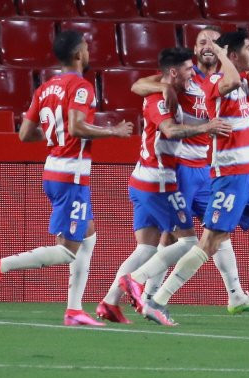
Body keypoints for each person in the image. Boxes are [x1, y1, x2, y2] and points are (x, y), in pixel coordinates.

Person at [120, 14, 249, 328]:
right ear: (235, 54)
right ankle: (149, 291)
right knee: (205, 242)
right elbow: (142, 84)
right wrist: (223, 52)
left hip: (248, 176)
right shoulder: (215, 82)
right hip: (225, 174)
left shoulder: (243, 81)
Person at [0, 30, 134, 326]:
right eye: (86, 48)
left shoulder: (46, 88)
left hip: (53, 169)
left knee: (88, 238)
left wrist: (54, 136)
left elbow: (25, 134)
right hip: (70, 175)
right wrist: (112, 131)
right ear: (78, 54)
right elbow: (76, 127)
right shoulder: (82, 86)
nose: (88, 52)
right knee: (67, 251)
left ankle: (74, 310)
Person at [129, 26, 249, 315]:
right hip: (180, 167)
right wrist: (165, 86)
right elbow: (138, 86)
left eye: (212, 41)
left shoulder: (224, 79)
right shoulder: (185, 75)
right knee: (172, 237)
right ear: (195, 51)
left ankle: (235, 295)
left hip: (205, 167)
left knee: (219, 230)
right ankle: (147, 296)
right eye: (201, 41)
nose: (207, 45)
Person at [95, 47, 233, 324]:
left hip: (142, 178)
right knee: (189, 241)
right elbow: (169, 130)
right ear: (173, 72)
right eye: (186, 69)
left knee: (145, 248)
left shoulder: (171, 91)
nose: (191, 73)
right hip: (158, 182)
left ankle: (109, 303)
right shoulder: (157, 98)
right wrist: (207, 127)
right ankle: (137, 283)